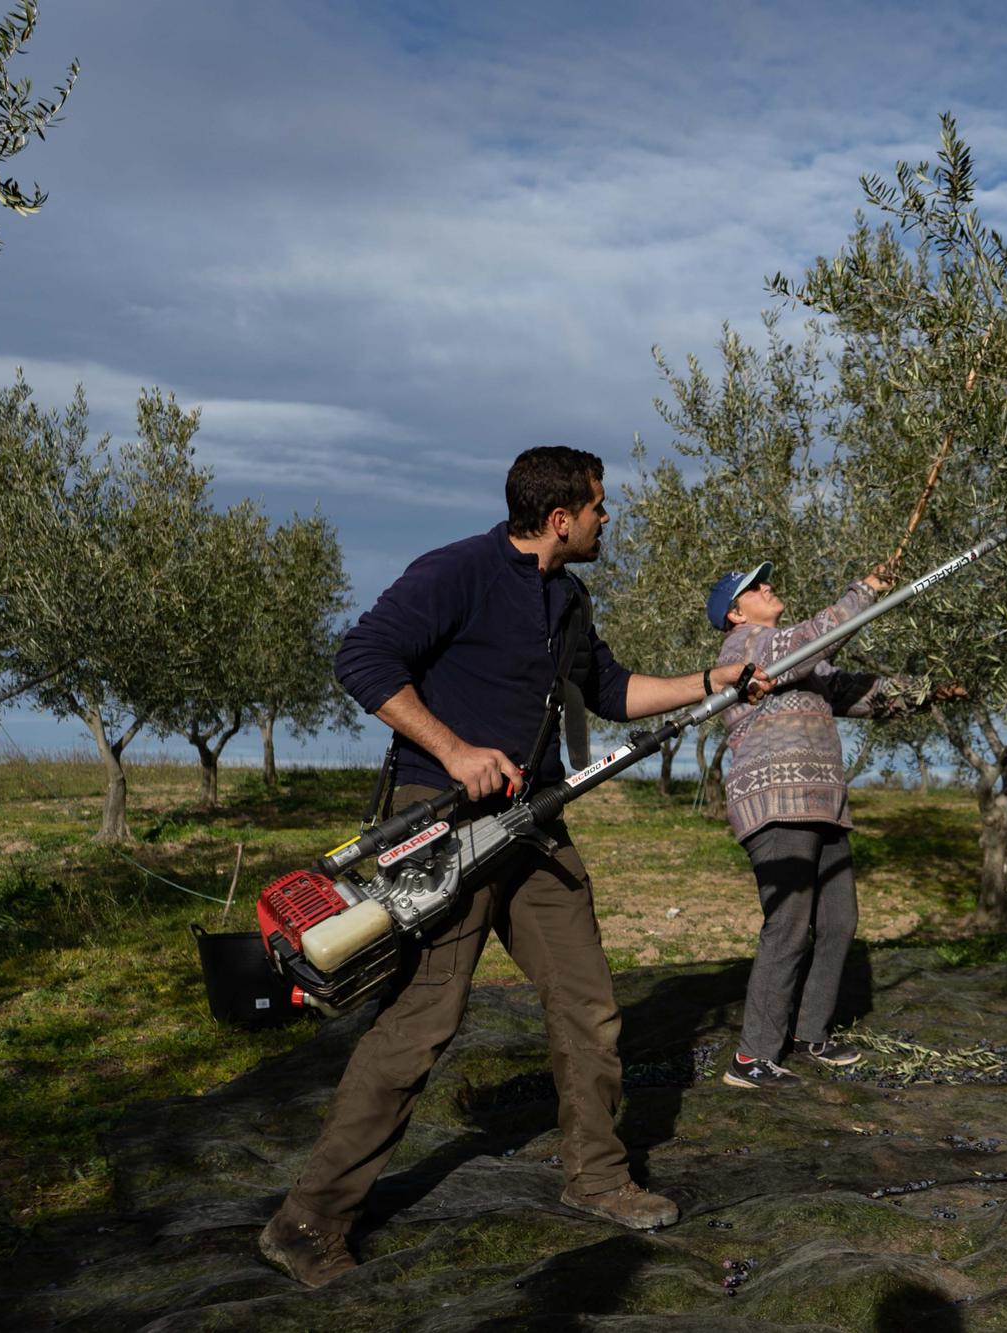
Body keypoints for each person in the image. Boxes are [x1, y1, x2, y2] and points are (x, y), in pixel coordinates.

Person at [259, 446, 767, 1287]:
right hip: (439, 832)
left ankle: (597, 1176)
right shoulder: (456, 571)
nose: (611, 519)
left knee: (588, 1000)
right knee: (425, 1020)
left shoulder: (567, 599)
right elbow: (362, 660)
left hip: (532, 829)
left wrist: (714, 680)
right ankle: (307, 1220)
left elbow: (609, 688)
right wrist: (456, 751)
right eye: (601, 506)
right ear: (561, 516)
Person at [706, 560, 962, 1090]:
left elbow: (862, 692)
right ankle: (752, 1058)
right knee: (790, 924)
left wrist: (929, 692)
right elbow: (818, 636)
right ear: (735, 613)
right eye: (755, 587)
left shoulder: (799, 663)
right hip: (778, 803)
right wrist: (863, 591)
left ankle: (808, 1033)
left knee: (840, 918)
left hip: (822, 803)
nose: (768, 586)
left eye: (767, 580)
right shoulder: (747, 649)